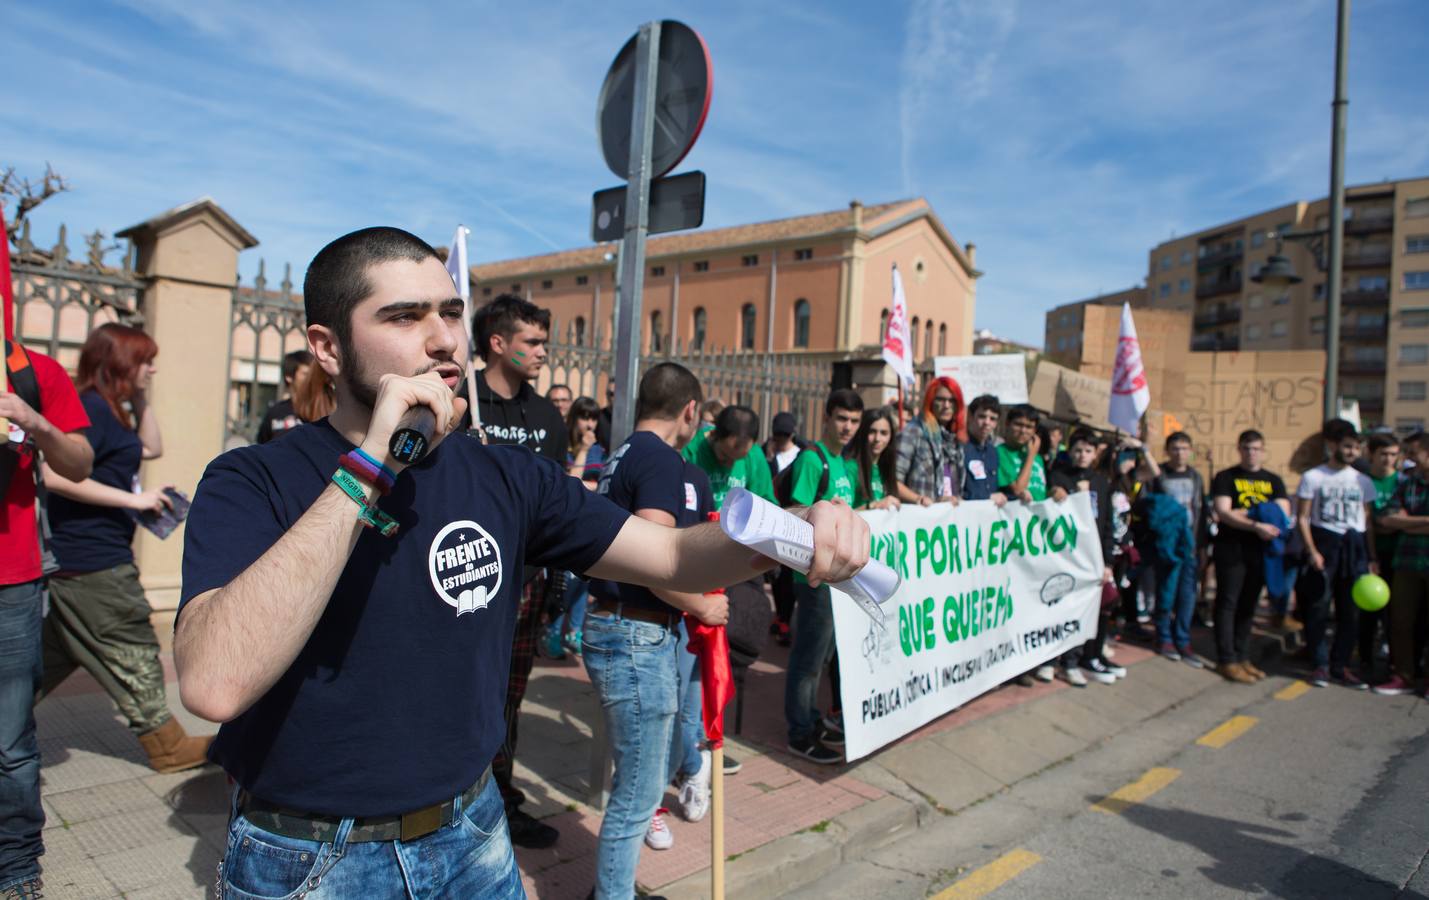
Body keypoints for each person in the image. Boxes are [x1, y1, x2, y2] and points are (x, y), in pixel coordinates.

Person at [174, 226, 873, 898]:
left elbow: (670, 555)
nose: (444, 338)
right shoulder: (253, 479)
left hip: (472, 834)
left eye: (451, 313)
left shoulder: (506, 476)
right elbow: (212, 684)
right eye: (405, 316)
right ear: (328, 348)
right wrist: (368, 471)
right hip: (312, 857)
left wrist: (792, 532)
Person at [37, 323, 214, 773]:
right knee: (129, 636)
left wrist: (138, 398)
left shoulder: (110, 409)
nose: (152, 369)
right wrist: (132, 500)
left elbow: (151, 447)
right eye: (144, 361)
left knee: (46, 657)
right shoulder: (91, 408)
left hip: (83, 559)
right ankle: (166, 743)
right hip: (93, 559)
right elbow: (54, 475)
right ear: (118, 363)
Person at [585, 363, 725, 890]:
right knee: (639, 795)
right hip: (636, 635)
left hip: (621, 628)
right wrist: (702, 607)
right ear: (690, 410)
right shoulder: (660, 459)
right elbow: (655, 560)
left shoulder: (624, 452)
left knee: (637, 782)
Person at [467, 292, 569, 848]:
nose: (542, 352)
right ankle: (457, 797)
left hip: (525, 583)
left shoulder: (547, 416)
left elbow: (558, 505)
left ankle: (500, 797)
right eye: (532, 342)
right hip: (464, 579)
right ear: (497, 343)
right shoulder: (461, 401)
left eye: (544, 342)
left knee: (509, 696)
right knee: (461, 690)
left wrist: (555, 580)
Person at [1, 343, 92, 900]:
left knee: (10, 741)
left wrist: (33, 421)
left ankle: (14, 870)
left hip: (12, 579)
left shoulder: (33, 370)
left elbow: (79, 462)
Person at [784, 388, 863, 764]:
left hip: (838, 580)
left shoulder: (844, 463)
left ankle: (812, 718)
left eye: (854, 421)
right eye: (842, 419)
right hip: (814, 578)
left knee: (823, 656)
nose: (848, 427)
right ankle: (799, 732)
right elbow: (796, 511)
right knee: (808, 658)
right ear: (827, 418)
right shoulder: (812, 459)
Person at [1296, 419, 1377, 689]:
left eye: (1356, 448)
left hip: (1354, 548)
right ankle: (1320, 664)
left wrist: (1371, 557)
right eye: (1347, 446)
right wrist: (1312, 551)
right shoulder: (1313, 477)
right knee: (1318, 607)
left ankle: (1340, 665)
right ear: (1333, 446)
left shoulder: (1363, 481)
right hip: (1325, 544)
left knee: (1350, 611)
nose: (1352, 452)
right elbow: (1303, 517)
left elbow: (1367, 522)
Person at [1210, 429, 1290, 684]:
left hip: (1261, 553)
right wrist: (1258, 519)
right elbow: (1223, 512)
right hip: (1231, 549)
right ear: (1239, 449)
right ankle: (1227, 659)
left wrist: (1245, 512)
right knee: (1228, 603)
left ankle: (1242, 656)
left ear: (1263, 451)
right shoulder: (1226, 477)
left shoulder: (1273, 480)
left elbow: (1282, 513)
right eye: (1246, 448)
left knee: (1248, 605)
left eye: (1255, 448)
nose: (1251, 453)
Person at [1049, 429, 1121, 686]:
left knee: (1084, 612)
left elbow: (1108, 524)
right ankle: (1052, 660)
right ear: (1070, 451)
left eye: (1088, 451)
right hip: (1065, 556)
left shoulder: (1101, 483)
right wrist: (1063, 492)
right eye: (1078, 450)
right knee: (1059, 608)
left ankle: (1073, 660)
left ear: (1095, 454)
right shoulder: (1059, 477)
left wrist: (1108, 562)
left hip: (1092, 559)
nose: (1082, 455)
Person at [1378, 432, 1429, 698]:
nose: (1408, 458)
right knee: (1400, 621)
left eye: (1413, 452)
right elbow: (1387, 518)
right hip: (1406, 561)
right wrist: (1425, 522)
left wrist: (1406, 523)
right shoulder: (1407, 484)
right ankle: (1403, 676)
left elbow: (1398, 521)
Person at [1150, 432, 1206, 662]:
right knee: (1166, 592)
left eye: (1184, 448)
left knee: (1187, 595)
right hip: (1167, 545)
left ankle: (1182, 638)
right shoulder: (1159, 474)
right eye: (1175, 448)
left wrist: (1201, 546)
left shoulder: (1195, 477)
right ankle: (1163, 636)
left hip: (1189, 545)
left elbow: (1201, 511)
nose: (1180, 453)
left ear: (1190, 451)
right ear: (1167, 451)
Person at [1367, 434, 1410, 694]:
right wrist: (1372, 556)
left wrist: (1398, 522)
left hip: (1402, 555)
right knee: (1368, 613)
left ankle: (1396, 664)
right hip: (1374, 554)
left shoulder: (1404, 482)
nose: (1388, 459)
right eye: (1383, 453)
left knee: (1398, 615)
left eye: (1393, 454)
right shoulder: (1363, 481)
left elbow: (1399, 518)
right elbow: (1373, 522)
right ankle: (1367, 662)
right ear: (1372, 454)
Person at [895, 376, 965, 506]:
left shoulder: (956, 439)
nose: (946, 406)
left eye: (952, 400)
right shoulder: (913, 433)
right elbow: (893, 482)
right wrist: (919, 499)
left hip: (951, 514)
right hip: (922, 514)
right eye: (941, 400)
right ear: (930, 401)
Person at [998, 405, 1061, 504]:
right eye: (1018, 424)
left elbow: (1041, 493)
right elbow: (1018, 490)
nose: (1023, 431)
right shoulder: (1000, 452)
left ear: (1034, 431)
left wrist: (1054, 492)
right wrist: (1030, 456)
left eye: (1029, 427)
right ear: (1007, 424)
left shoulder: (1038, 458)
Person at [849, 405, 902, 512]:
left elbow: (898, 486)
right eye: (872, 432)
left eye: (884, 433)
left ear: (891, 437)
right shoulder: (851, 468)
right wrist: (873, 506)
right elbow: (842, 516)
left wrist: (918, 498)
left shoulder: (885, 468)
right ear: (862, 433)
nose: (877, 438)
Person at [256, 349, 313, 443]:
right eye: (305, 374)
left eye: (313, 374)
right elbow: (263, 445)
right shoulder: (275, 412)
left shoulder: (323, 410)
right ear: (289, 377)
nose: (311, 379)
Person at [961, 394, 1006, 504]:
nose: (987, 422)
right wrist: (987, 497)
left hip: (989, 513)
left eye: (992, 419)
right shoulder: (959, 448)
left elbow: (998, 490)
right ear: (970, 416)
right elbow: (955, 492)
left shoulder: (993, 452)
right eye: (982, 416)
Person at [565, 395, 605, 483]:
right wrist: (584, 450)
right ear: (574, 418)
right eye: (585, 418)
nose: (590, 425)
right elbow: (572, 482)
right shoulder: (562, 447)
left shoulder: (598, 449)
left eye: (594, 419)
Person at [765, 411, 803, 476]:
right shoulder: (765, 453)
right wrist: (769, 458)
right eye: (778, 434)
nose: (782, 438)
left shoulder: (801, 454)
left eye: (785, 434)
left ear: (792, 434)